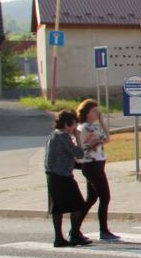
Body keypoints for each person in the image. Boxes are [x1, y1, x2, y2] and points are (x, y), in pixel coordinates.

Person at [75, 99, 117, 242]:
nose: (97, 113)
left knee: (91, 199)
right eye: (94, 111)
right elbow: (104, 139)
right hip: (92, 165)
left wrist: (102, 121)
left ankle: (75, 228)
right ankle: (103, 230)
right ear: (87, 113)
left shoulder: (92, 127)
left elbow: (106, 139)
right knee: (105, 197)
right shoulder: (85, 128)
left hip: (96, 164)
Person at [46, 110, 90, 247]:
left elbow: (62, 156)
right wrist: (78, 137)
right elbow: (79, 153)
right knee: (78, 205)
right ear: (67, 124)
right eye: (74, 124)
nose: (75, 128)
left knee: (58, 208)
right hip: (62, 176)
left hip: (53, 175)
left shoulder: (53, 135)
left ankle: (59, 238)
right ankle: (75, 235)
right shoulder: (63, 136)